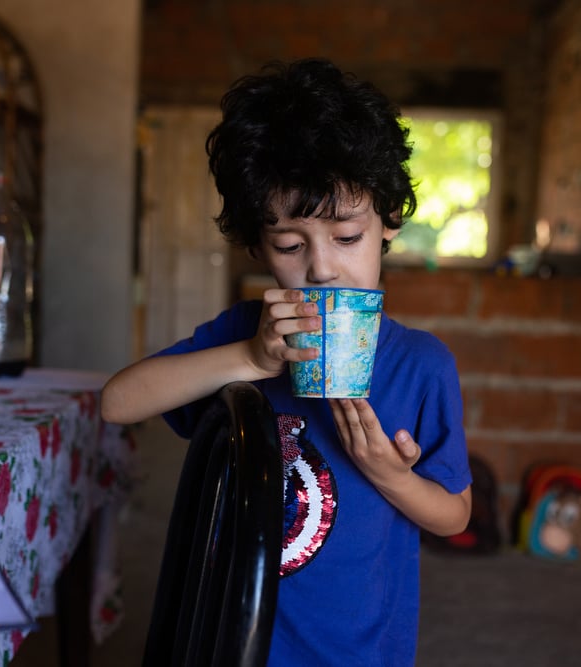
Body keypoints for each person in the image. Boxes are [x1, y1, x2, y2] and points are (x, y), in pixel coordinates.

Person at [101, 57, 472, 666]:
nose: (321, 268)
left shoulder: (421, 364)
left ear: (388, 222)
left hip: (356, 652)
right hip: (233, 644)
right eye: (290, 245)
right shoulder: (244, 336)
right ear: (256, 246)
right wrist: (249, 357)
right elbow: (118, 402)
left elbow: (454, 516)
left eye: (347, 238)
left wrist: (390, 476)